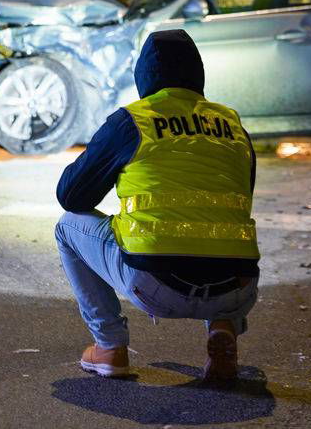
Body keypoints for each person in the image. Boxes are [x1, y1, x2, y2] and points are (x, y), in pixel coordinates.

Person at [54, 29, 260, 383]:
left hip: (156, 284)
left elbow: (71, 196)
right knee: (221, 228)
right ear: (198, 74)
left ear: (144, 76)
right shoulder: (231, 123)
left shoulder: (134, 120)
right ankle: (223, 328)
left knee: (67, 226)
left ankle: (109, 347)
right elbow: (241, 200)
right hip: (236, 289)